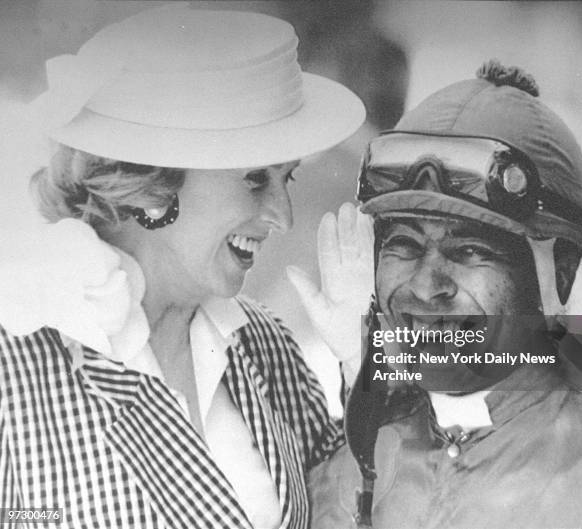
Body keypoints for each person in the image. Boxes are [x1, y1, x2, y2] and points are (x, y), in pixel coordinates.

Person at [0, 5, 368, 528]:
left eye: (287, 179)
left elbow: (343, 507)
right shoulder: (17, 358)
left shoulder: (259, 341)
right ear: (154, 184)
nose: (282, 218)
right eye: (255, 179)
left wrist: (365, 364)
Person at [308, 61, 582, 529]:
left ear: (562, 276)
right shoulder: (342, 475)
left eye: (470, 251)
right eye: (404, 245)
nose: (426, 287)